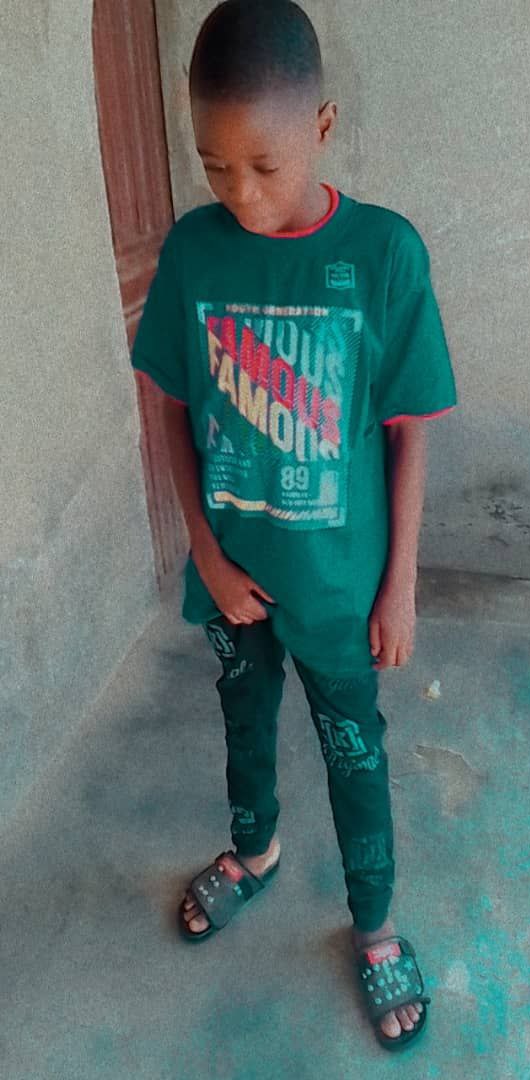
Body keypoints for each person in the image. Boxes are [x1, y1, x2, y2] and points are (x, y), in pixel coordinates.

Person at [131, 0, 457, 1053]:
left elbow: (408, 431)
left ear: (321, 127)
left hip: (340, 590)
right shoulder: (193, 251)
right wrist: (205, 550)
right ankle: (257, 851)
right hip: (234, 579)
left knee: (353, 749)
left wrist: (398, 585)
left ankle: (374, 923)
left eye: (264, 165)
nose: (239, 192)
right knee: (243, 718)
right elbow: (171, 405)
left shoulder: (383, 254)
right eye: (213, 166)